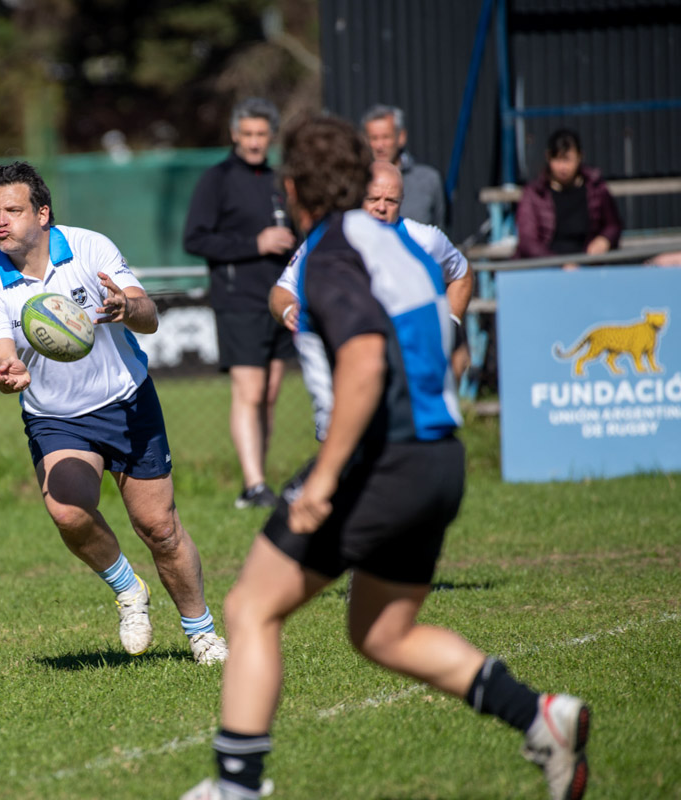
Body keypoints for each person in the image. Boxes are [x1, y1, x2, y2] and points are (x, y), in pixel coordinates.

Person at [183, 115, 589, 800]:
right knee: (383, 633)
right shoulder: (395, 245)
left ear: (295, 186)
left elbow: (366, 364)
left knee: (251, 606)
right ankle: (539, 716)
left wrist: (325, 478)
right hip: (438, 462)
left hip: (386, 462)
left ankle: (235, 788)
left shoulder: (333, 248)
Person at [0, 161, 227, 664]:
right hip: (55, 416)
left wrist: (127, 307)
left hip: (127, 402)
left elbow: (147, 313)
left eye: (13, 210)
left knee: (159, 528)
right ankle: (130, 590)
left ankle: (202, 633)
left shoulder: (90, 247)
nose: (1, 221)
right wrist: (8, 373)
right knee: (66, 510)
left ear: (43, 214)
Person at [183, 97, 297, 510]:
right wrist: (256, 243)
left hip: (282, 300)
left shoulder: (281, 179)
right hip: (239, 301)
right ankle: (253, 485)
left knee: (270, 395)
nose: (253, 142)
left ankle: (259, 482)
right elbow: (195, 238)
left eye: (261, 134)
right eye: (246, 134)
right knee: (249, 392)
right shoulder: (216, 179)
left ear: (271, 136)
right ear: (234, 134)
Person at [272, 160, 475, 381]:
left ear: (402, 201)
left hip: (409, 367)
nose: (381, 207)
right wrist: (288, 310)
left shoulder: (425, 239)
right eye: (373, 199)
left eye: (391, 201)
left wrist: (449, 326)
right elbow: (281, 291)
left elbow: (462, 275)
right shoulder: (330, 238)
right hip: (349, 361)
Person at [515, 128, 622, 270]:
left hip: (588, 265)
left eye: (568, 160)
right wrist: (559, 263)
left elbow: (613, 224)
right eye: (557, 159)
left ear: (580, 157)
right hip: (546, 268)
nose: (562, 167)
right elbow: (528, 241)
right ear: (548, 157)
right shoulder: (534, 193)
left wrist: (604, 240)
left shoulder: (596, 187)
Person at [361, 104, 446, 228]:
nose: (380, 145)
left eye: (386, 137)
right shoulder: (355, 182)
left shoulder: (428, 180)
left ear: (401, 137)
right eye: (374, 138)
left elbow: (440, 229)